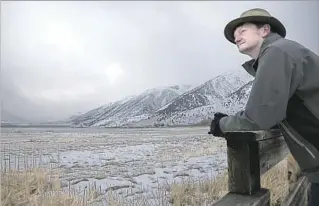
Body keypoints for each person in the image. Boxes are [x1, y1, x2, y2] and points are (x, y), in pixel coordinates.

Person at [208, 8, 319, 206]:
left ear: (264, 30)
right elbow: (278, 112)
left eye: (242, 30)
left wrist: (221, 124)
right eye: (234, 35)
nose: (236, 37)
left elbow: (259, 117)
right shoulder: (283, 51)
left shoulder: (277, 52)